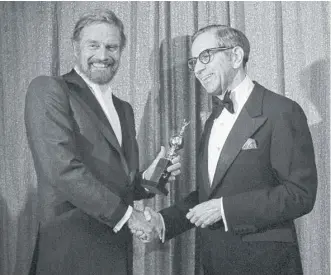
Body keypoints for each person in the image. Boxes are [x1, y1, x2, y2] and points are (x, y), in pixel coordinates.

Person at [136, 24, 318, 275]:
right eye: (194, 62)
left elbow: (300, 195)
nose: (197, 69)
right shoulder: (213, 119)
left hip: (266, 265)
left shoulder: (281, 111)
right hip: (214, 263)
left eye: (205, 57)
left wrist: (224, 209)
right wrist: (163, 220)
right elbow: (208, 196)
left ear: (235, 56)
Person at [24, 9, 180, 275]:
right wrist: (131, 216)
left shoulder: (124, 109)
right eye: (93, 45)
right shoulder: (49, 89)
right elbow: (63, 171)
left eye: (112, 47)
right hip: (70, 252)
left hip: (116, 250)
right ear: (75, 47)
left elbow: (123, 184)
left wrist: (153, 177)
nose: (103, 56)